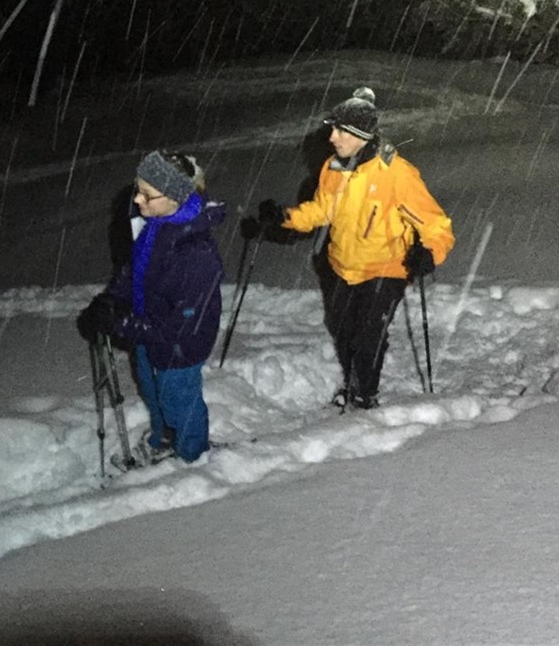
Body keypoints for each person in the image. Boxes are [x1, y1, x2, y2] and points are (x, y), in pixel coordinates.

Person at [257, 87, 454, 410]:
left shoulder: (395, 173)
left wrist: (429, 252)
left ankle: (364, 396)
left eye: (339, 131)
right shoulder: (334, 168)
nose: (331, 137)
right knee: (345, 332)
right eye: (332, 129)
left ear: (360, 135)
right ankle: (353, 385)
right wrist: (285, 217)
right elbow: (322, 211)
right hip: (341, 265)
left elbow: (436, 223)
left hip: (385, 266)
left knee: (367, 336)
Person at [77, 152, 225, 464]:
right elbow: (135, 270)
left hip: (180, 344)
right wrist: (113, 299)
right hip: (149, 331)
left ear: (176, 196)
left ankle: (192, 456)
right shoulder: (157, 223)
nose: (138, 201)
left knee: (178, 401)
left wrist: (121, 324)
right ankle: (162, 440)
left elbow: (179, 327)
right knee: (151, 388)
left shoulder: (195, 254)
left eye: (147, 195)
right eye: (137, 190)